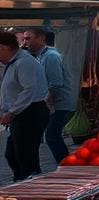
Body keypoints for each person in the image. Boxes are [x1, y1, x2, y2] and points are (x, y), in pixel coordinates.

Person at [0, 31, 50, 181]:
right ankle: (21, 181)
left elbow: (29, 89)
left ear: (3, 48)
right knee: (13, 153)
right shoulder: (13, 63)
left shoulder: (24, 62)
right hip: (22, 113)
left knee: (25, 154)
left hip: (30, 112)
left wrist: (12, 112)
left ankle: (30, 185)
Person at [22, 27, 75, 164]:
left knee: (52, 136)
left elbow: (55, 84)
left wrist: (45, 103)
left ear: (41, 39)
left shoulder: (50, 56)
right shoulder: (41, 56)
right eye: (24, 38)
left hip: (60, 104)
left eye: (29, 38)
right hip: (54, 104)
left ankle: (67, 166)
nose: (25, 42)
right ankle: (66, 165)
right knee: (51, 136)